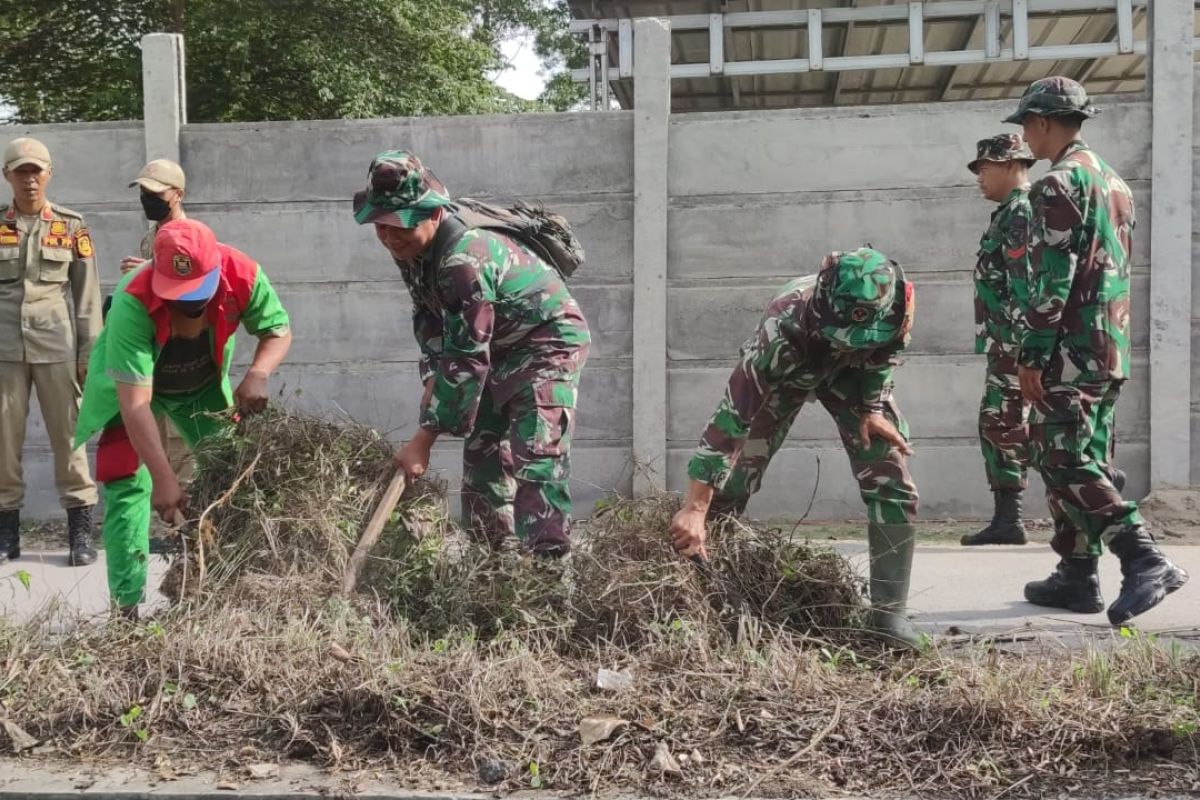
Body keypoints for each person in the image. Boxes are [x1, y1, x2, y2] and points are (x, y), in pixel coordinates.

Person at [666, 247, 923, 647]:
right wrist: (695, 506)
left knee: (891, 476)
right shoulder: (781, 328)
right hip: (790, 372)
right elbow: (733, 415)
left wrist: (872, 407)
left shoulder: (896, 303)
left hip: (855, 378)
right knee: (731, 484)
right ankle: (703, 590)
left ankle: (888, 620)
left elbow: (888, 351)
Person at [1007, 76, 1187, 624]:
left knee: (1063, 457)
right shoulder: (1113, 181)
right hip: (1108, 345)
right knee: (1087, 453)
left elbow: (1053, 281)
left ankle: (1143, 558)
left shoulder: (1058, 184)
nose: (1026, 142)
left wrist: (1032, 354)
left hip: (1071, 350)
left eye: (1027, 129)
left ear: (1042, 123)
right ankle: (1077, 574)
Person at [353, 150, 590, 558]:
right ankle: (492, 568)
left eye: (399, 226)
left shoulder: (465, 258)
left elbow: (466, 357)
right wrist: (431, 375)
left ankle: (548, 587)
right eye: (380, 226)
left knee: (537, 459)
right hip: (492, 347)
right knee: (482, 458)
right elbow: (427, 316)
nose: (390, 237)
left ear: (431, 213)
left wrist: (423, 439)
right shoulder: (411, 250)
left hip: (544, 344)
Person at [74, 219, 291, 617]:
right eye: (177, 298)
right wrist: (163, 478)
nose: (187, 309)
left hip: (201, 388)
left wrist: (258, 374)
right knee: (126, 483)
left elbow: (277, 330)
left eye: (197, 299)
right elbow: (136, 402)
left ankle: (225, 595)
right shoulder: (132, 301)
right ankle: (126, 611)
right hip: (135, 390)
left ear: (216, 272)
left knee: (231, 475)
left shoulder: (242, 273)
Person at [0, 136, 101, 566]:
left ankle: (80, 533)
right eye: (21, 171)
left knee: (70, 437)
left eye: (36, 171)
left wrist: (88, 355)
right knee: (3, 441)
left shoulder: (71, 226)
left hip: (58, 346)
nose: (29, 179)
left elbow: (87, 296)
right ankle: (7, 534)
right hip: (4, 349)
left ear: (49, 174)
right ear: (7, 175)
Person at [961, 134, 1037, 547]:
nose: (979, 177)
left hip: (1018, 345)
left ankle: (1012, 521)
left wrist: (1023, 346)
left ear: (1011, 164)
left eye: (984, 168)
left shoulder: (1021, 212)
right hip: (1008, 343)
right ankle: (1009, 520)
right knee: (1002, 424)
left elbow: (1026, 283)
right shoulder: (1009, 213)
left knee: (1003, 424)